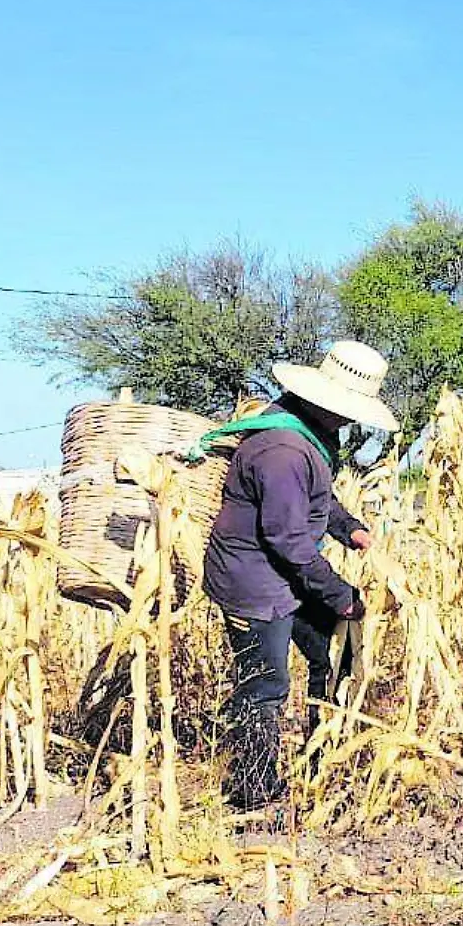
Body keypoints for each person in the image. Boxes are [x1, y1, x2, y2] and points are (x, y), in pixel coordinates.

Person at [199, 340, 399, 811]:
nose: (351, 419)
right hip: (255, 581)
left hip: (282, 572)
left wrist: (350, 529)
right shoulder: (283, 449)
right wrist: (337, 592)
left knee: (337, 649)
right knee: (265, 683)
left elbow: (318, 500)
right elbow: (288, 539)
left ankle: (319, 759)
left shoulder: (304, 436)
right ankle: (254, 791)